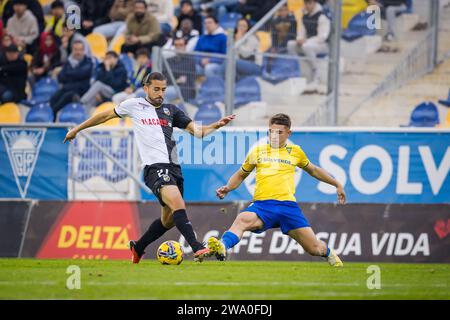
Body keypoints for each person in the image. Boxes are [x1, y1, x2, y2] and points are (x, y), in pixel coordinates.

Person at [63, 72, 236, 264]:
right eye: (156, 89)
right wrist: (77, 129)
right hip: (154, 168)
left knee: (168, 220)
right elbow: (105, 116)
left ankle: (138, 247)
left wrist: (216, 125)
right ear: (146, 88)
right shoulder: (134, 105)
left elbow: (198, 132)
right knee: (178, 203)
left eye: (163, 89)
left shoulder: (172, 110)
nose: (160, 93)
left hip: (174, 169)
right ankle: (197, 247)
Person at [207, 113, 345, 267]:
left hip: (288, 207)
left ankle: (329, 254)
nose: (274, 135)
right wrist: (228, 188)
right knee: (242, 219)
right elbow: (241, 174)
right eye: (271, 131)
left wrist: (336, 184)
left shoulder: (296, 152)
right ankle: (222, 246)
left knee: (314, 248)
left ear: (288, 133)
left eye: (279, 132)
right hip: (263, 205)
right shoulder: (257, 152)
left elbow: (313, 170)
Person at [287, 0, 330, 88]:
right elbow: (301, 32)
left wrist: (306, 41)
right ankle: (295, 70)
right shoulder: (304, 15)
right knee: (290, 44)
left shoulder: (322, 16)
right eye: (306, 3)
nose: (307, 5)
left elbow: (322, 37)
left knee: (307, 46)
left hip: (323, 45)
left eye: (309, 3)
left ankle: (316, 73)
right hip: (308, 43)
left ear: (314, 3)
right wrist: (299, 39)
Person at [50, 40, 93, 117]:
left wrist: (69, 74)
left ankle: (54, 116)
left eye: (80, 50)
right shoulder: (68, 62)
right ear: (72, 50)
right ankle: (50, 119)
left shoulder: (88, 62)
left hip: (79, 92)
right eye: (76, 49)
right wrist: (73, 74)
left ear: (83, 51)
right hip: (66, 89)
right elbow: (60, 77)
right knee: (53, 99)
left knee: (60, 103)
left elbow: (81, 74)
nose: (78, 52)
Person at [165, 37, 196, 102]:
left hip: (182, 89)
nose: (178, 47)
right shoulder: (169, 60)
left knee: (160, 94)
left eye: (181, 45)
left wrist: (173, 78)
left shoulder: (190, 61)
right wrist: (176, 80)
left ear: (185, 46)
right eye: (176, 45)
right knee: (140, 92)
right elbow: (165, 76)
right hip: (167, 86)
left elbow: (188, 80)